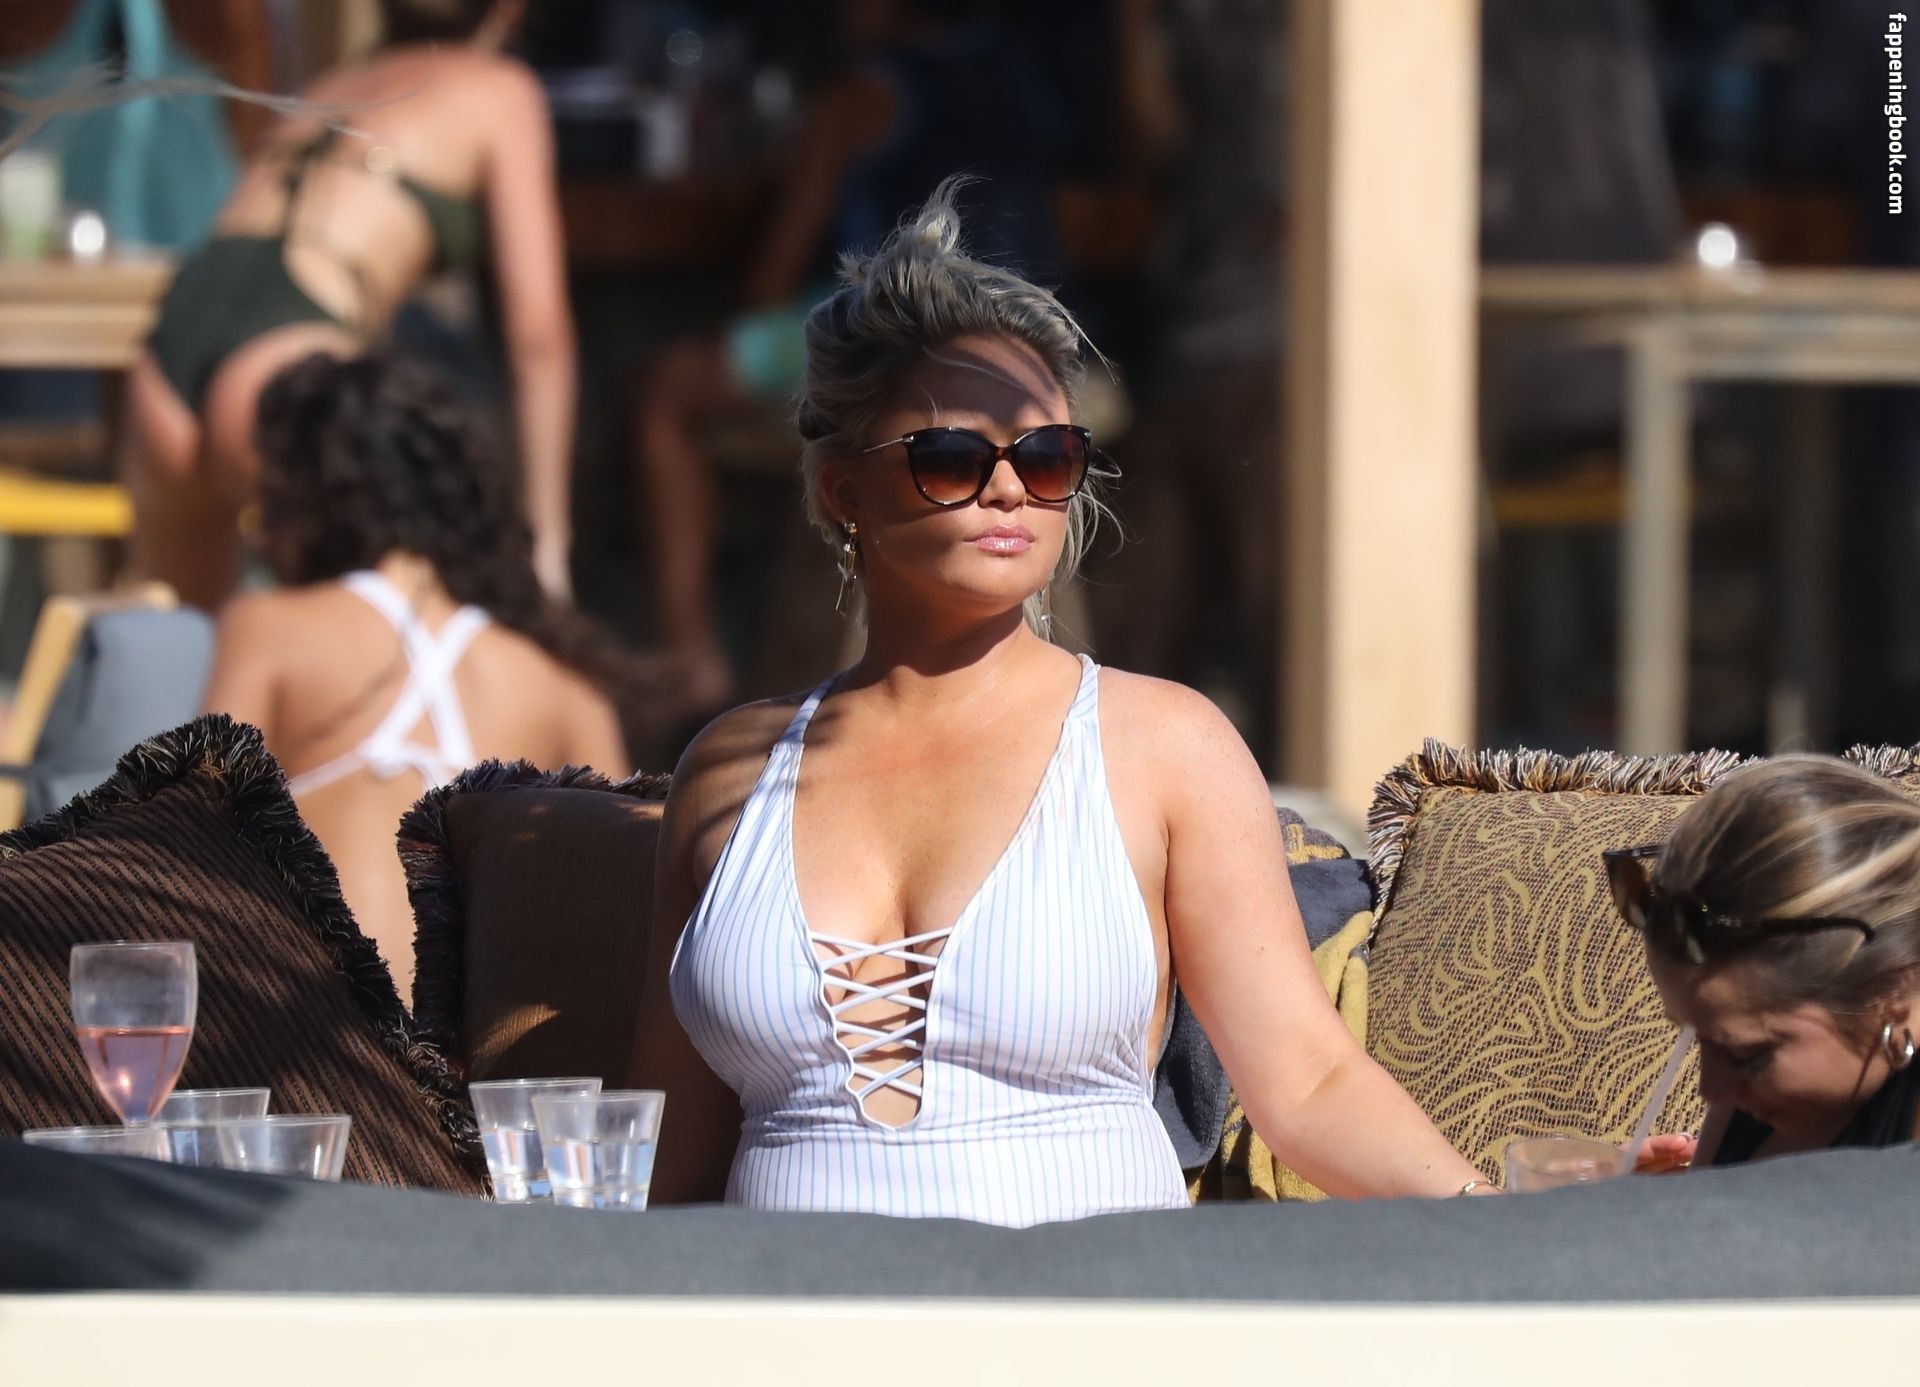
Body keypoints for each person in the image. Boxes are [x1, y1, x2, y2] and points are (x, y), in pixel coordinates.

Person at [630, 185, 1487, 1225]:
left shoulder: (1163, 743)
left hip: (1089, 1305)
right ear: (842, 490)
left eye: (1045, 458)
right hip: (782, 1308)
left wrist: (1515, 1225)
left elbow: (1308, 1082)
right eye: (952, 457)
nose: (1008, 489)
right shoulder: (732, 767)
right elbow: (669, 1162)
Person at [632, 0, 1066, 711]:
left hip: (907, 327)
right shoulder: (1017, 73)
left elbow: (773, 277)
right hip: (1032, 332)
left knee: (667, 390)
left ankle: (690, 652)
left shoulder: (858, 96)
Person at [201, 352, 635, 998]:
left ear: (316, 502)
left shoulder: (267, 627)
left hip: (309, 1030)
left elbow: (193, 847)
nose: (261, 538)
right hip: (487, 1049)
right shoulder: (562, 673)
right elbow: (628, 901)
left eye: (268, 507)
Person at [125, 0, 576, 611]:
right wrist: (547, 541)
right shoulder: (501, 89)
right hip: (289, 341)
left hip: (178, 331)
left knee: (185, 651)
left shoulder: (331, 83)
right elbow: (538, 333)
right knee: (392, 630)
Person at [1607, 756, 1920, 1169]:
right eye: (1696, 1036)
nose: (1710, 1089)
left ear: (1891, 990)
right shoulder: (1753, 1102)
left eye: (1749, 1055)